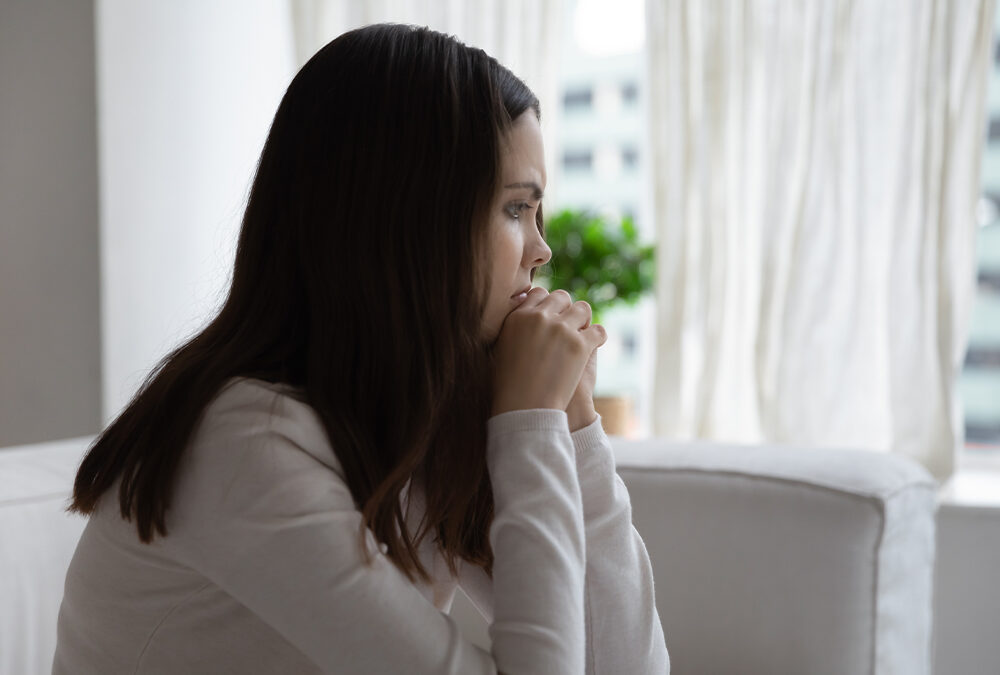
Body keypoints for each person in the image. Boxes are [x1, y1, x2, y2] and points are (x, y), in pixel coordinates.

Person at [53, 23, 669, 674]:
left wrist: (573, 424)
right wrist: (530, 423)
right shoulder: (244, 441)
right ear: (412, 222)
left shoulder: (415, 411)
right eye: (517, 209)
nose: (541, 251)